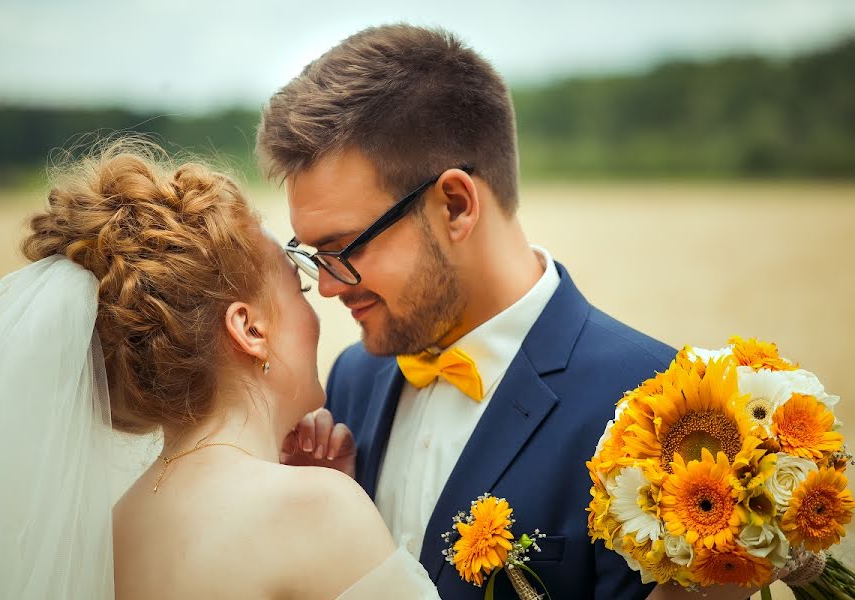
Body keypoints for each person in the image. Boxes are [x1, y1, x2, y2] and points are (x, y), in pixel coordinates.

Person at [256, 24, 766, 600]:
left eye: (345, 248)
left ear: (455, 205)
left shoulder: (664, 409)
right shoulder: (353, 377)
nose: (326, 286)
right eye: (312, 255)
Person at [0, 139, 440, 599]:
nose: (317, 310)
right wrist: (326, 499)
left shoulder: (116, 528)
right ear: (249, 330)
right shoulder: (317, 509)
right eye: (300, 291)